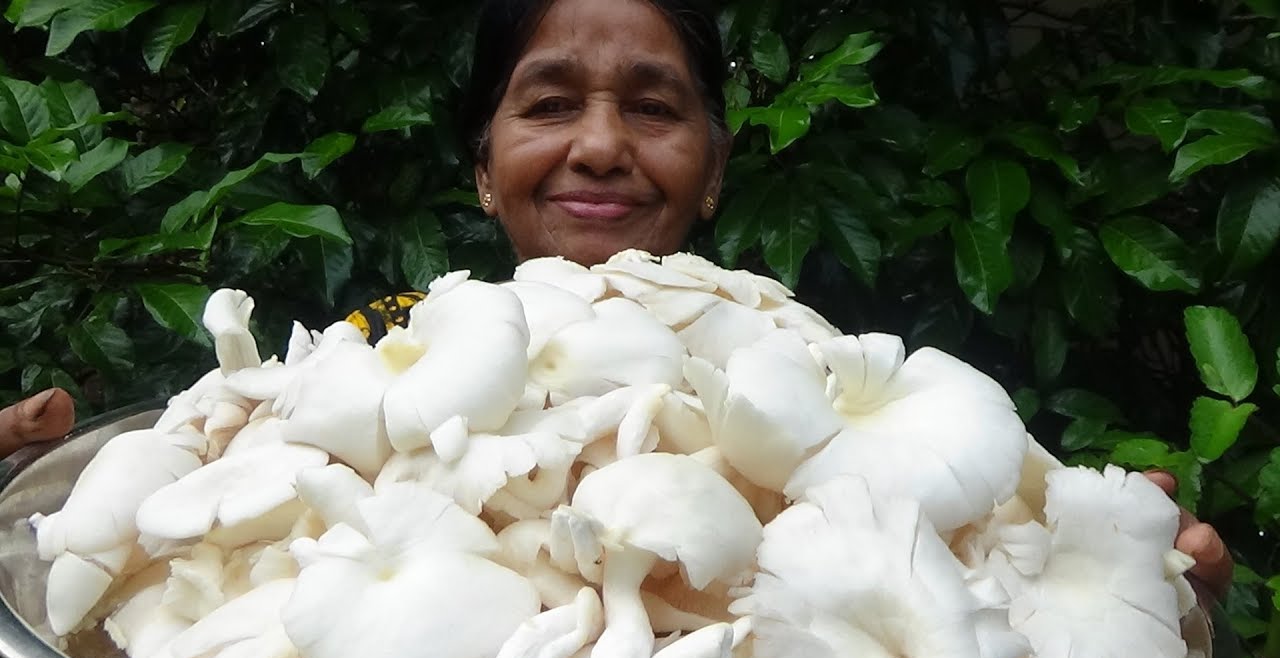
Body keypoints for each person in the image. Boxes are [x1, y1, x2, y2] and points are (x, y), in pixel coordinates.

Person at [2, 0, 1232, 599]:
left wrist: (1116, 571)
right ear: (483, 168)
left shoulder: (803, 356)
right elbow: (225, 444)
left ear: (712, 171)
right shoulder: (387, 336)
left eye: (652, 107)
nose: (598, 146)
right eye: (548, 105)